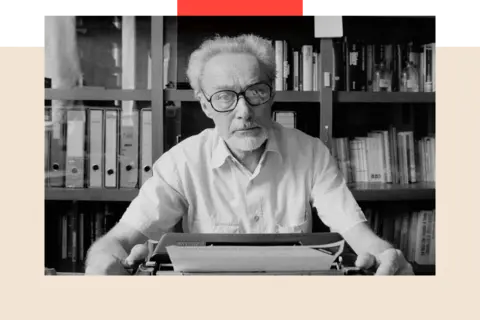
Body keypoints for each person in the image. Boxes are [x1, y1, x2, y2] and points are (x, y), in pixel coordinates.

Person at [85, 34, 414, 276]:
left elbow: (357, 234)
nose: (244, 111)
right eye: (226, 97)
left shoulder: (311, 153)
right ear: (204, 105)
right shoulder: (181, 163)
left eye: (256, 92)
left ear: (272, 96)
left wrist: (386, 255)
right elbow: (118, 242)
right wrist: (103, 263)